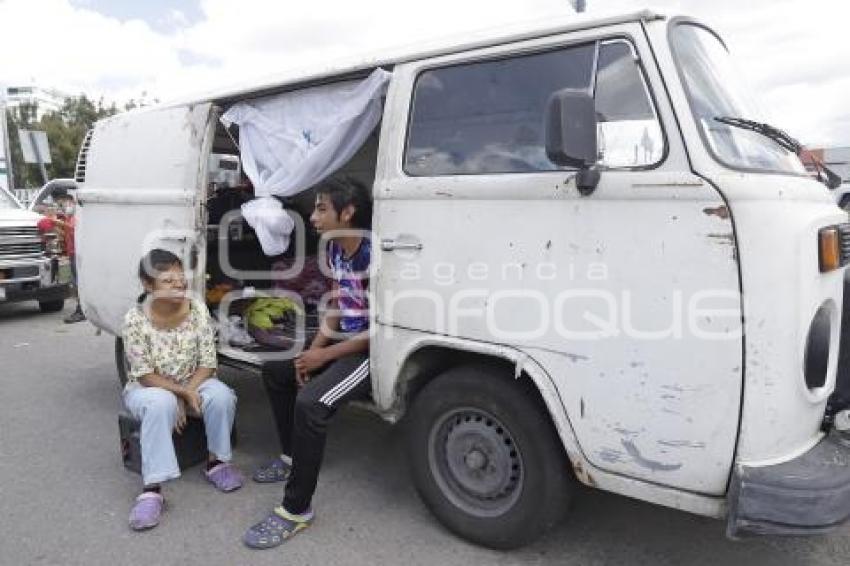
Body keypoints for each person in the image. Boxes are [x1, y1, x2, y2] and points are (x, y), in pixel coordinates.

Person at [243, 178, 372, 549]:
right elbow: (336, 303)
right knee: (278, 370)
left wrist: (325, 356)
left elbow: (384, 328)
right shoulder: (332, 249)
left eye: (321, 209)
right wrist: (310, 353)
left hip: (370, 350)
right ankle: (290, 455)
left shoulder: (375, 254)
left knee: (311, 404)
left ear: (347, 213)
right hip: (340, 340)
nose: (312, 216)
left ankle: (296, 509)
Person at [122, 249, 243, 531]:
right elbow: (145, 375)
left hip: (193, 379)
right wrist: (177, 395)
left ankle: (217, 463)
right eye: (168, 280)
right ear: (148, 285)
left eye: (180, 277)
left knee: (222, 396)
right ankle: (152, 490)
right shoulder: (134, 320)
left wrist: (187, 392)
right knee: (160, 404)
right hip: (148, 387)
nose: (179, 284)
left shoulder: (197, 307)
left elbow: (208, 363)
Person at [53, 189, 86, 323]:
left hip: (77, 253)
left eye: (66, 202)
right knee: (75, 282)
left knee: (78, 282)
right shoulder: (70, 217)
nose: (65, 206)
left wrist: (56, 222)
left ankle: (81, 310)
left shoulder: (77, 217)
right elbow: (67, 232)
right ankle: (81, 309)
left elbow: (73, 229)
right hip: (72, 253)